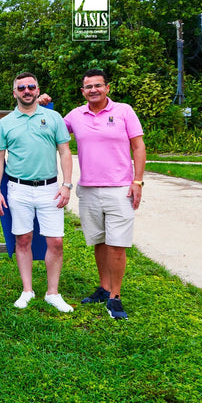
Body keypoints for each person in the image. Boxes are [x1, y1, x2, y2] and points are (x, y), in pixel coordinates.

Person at [63, 69, 145, 320]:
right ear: (82, 91)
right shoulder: (76, 115)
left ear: (107, 88)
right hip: (88, 188)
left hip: (120, 188)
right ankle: (104, 287)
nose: (93, 90)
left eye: (98, 85)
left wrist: (138, 181)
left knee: (117, 244)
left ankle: (115, 297)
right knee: (98, 241)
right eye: (88, 87)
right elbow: (52, 129)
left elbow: (138, 146)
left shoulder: (124, 111)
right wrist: (43, 102)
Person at [0, 72, 75, 313]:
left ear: (38, 90)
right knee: (23, 239)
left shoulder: (53, 117)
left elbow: (65, 152)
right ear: (14, 93)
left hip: (50, 189)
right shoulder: (5, 123)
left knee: (56, 241)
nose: (26, 91)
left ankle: (53, 293)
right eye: (22, 88)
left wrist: (66, 184)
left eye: (31, 86)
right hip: (18, 189)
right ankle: (27, 290)